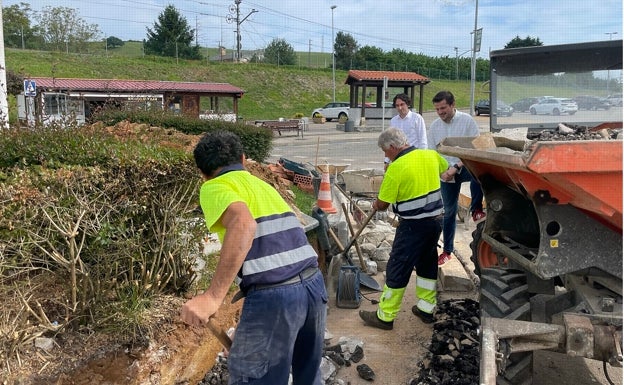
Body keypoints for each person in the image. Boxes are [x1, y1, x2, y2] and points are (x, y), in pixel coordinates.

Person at [181, 131, 328, 385]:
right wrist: (247, 330)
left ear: (202, 173)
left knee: (255, 379)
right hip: (313, 287)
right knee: (308, 375)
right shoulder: (262, 186)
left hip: (276, 295)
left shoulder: (215, 186)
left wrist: (212, 297)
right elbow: (273, 256)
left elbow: (243, 224)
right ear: (243, 159)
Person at [359, 128, 447, 330]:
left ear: (392, 147)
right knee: (427, 264)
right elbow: (445, 173)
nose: (385, 155)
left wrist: (375, 204)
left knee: (398, 267)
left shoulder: (396, 168)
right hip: (435, 222)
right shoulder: (430, 155)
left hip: (412, 227)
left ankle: (385, 316)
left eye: (385, 151)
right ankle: (426, 309)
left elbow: (382, 204)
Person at [427, 90, 486, 266]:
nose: (440, 112)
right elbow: (432, 153)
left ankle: (476, 209)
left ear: (453, 105)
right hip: (446, 172)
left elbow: (474, 148)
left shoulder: (467, 121)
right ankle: (447, 251)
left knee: (479, 173)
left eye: (443, 108)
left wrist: (456, 166)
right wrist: (441, 171)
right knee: (448, 212)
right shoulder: (435, 127)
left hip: (464, 165)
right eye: (437, 109)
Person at [383, 93, 427, 167]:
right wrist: (387, 161)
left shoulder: (417, 118)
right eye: (397, 105)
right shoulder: (394, 120)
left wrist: (422, 159)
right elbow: (391, 142)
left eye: (402, 104)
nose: (400, 108)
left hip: (414, 157)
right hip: (398, 158)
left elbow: (422, 140)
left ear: (407, 104)